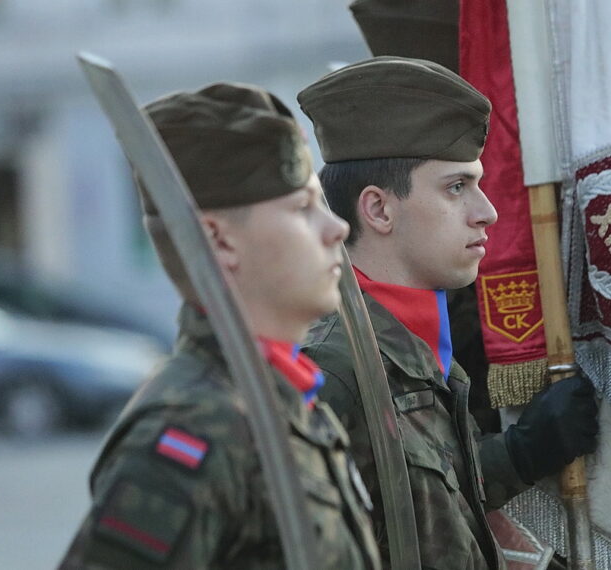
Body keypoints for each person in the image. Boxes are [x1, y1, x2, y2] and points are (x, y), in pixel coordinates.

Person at [59, 83, 380, 569]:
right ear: (219, 241)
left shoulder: (282, 398)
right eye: (301, 208)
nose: (336, 228)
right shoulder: (193, 427)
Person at [296, 56, 599, 569]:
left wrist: (519, 456)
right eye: (456, 187)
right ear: (379, 210)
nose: (487, 211)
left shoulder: (411, 347)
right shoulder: (333, 371)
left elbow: (423, 510)